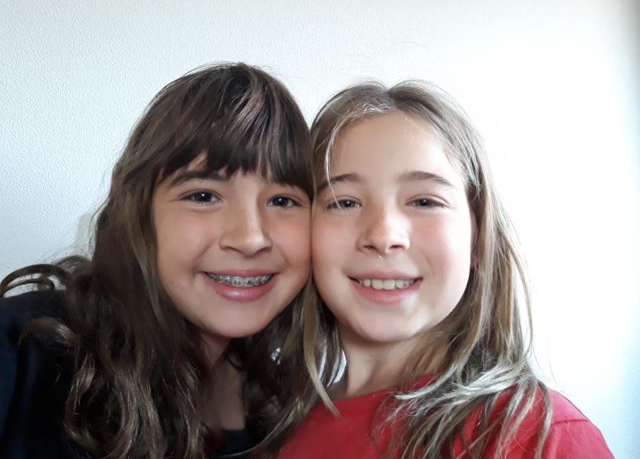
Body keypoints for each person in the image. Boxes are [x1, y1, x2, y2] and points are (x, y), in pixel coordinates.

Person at [276, 82, 613, 458]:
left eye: (424, 201)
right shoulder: (274, 432)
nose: (384, 235)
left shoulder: (541, 437)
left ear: (477, 238)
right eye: (344, 202)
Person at [0, 63, 312, 458]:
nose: (251, 238)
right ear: (141, 214)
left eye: (283, 200)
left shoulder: (293, 407)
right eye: (203, 196)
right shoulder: (20, 352)